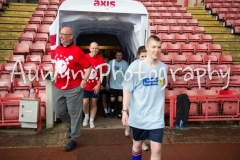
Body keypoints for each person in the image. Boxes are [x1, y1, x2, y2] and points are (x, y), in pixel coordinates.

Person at [122, 35, 168, 160]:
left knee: (157, 149)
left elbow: (161, 89)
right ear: (147, 48)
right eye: (153, 47)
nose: (156, 50)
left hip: (156, 117)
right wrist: (125, 111)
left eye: (159, 47)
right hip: (138, 116)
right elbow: (126, 90)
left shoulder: (163, 68)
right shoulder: (134, 67)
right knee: (137, 144)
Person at [53, 27, 92, 152]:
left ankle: (74, 138)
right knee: (58, 110)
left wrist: (84, 80)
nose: (61, 36)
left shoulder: (77, 51)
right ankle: (72, 125)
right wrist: (53, 74)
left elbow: (89, 66)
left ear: (71, 36)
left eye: (64, 34)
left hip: (74, 88)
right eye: (61, 34)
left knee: (74, 114)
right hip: (59, 86)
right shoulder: (57, 49)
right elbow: (56, 66)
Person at [124, 46, 149, 151]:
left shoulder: (151, 66)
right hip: (133, 100)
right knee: (137, 121)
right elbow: (127, 87)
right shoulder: (132, 67)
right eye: (142, 56)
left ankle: (132, 129)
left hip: (145, 100)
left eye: (146, 56)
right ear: (138, 56)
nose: (144, 58)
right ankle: (139, 141)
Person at [82, 42, 107, 128]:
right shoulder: (84, 57)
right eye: (93, 48)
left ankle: (92, 120)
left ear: (98, 49)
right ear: (89, 48)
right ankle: (86, 116)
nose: (94, 50)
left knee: (94, 103)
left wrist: (98, 84)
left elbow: (102, 74)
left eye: (96, 48)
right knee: (85, 103)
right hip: (85, 86)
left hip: (95, 86)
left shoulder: (101, 59)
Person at [106, 51, 129, 119]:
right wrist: (107, 83)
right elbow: (108, 73)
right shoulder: (111, 62)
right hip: (113, 84)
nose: (119, 56)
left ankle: (119, 113)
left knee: (120, 99)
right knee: (112, 99)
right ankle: (112, 109)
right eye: (117, 55)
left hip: (121, 85)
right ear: (115, 56)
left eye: (120, 55)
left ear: (122, 56)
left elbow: (127, 75)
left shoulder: (125, 63)